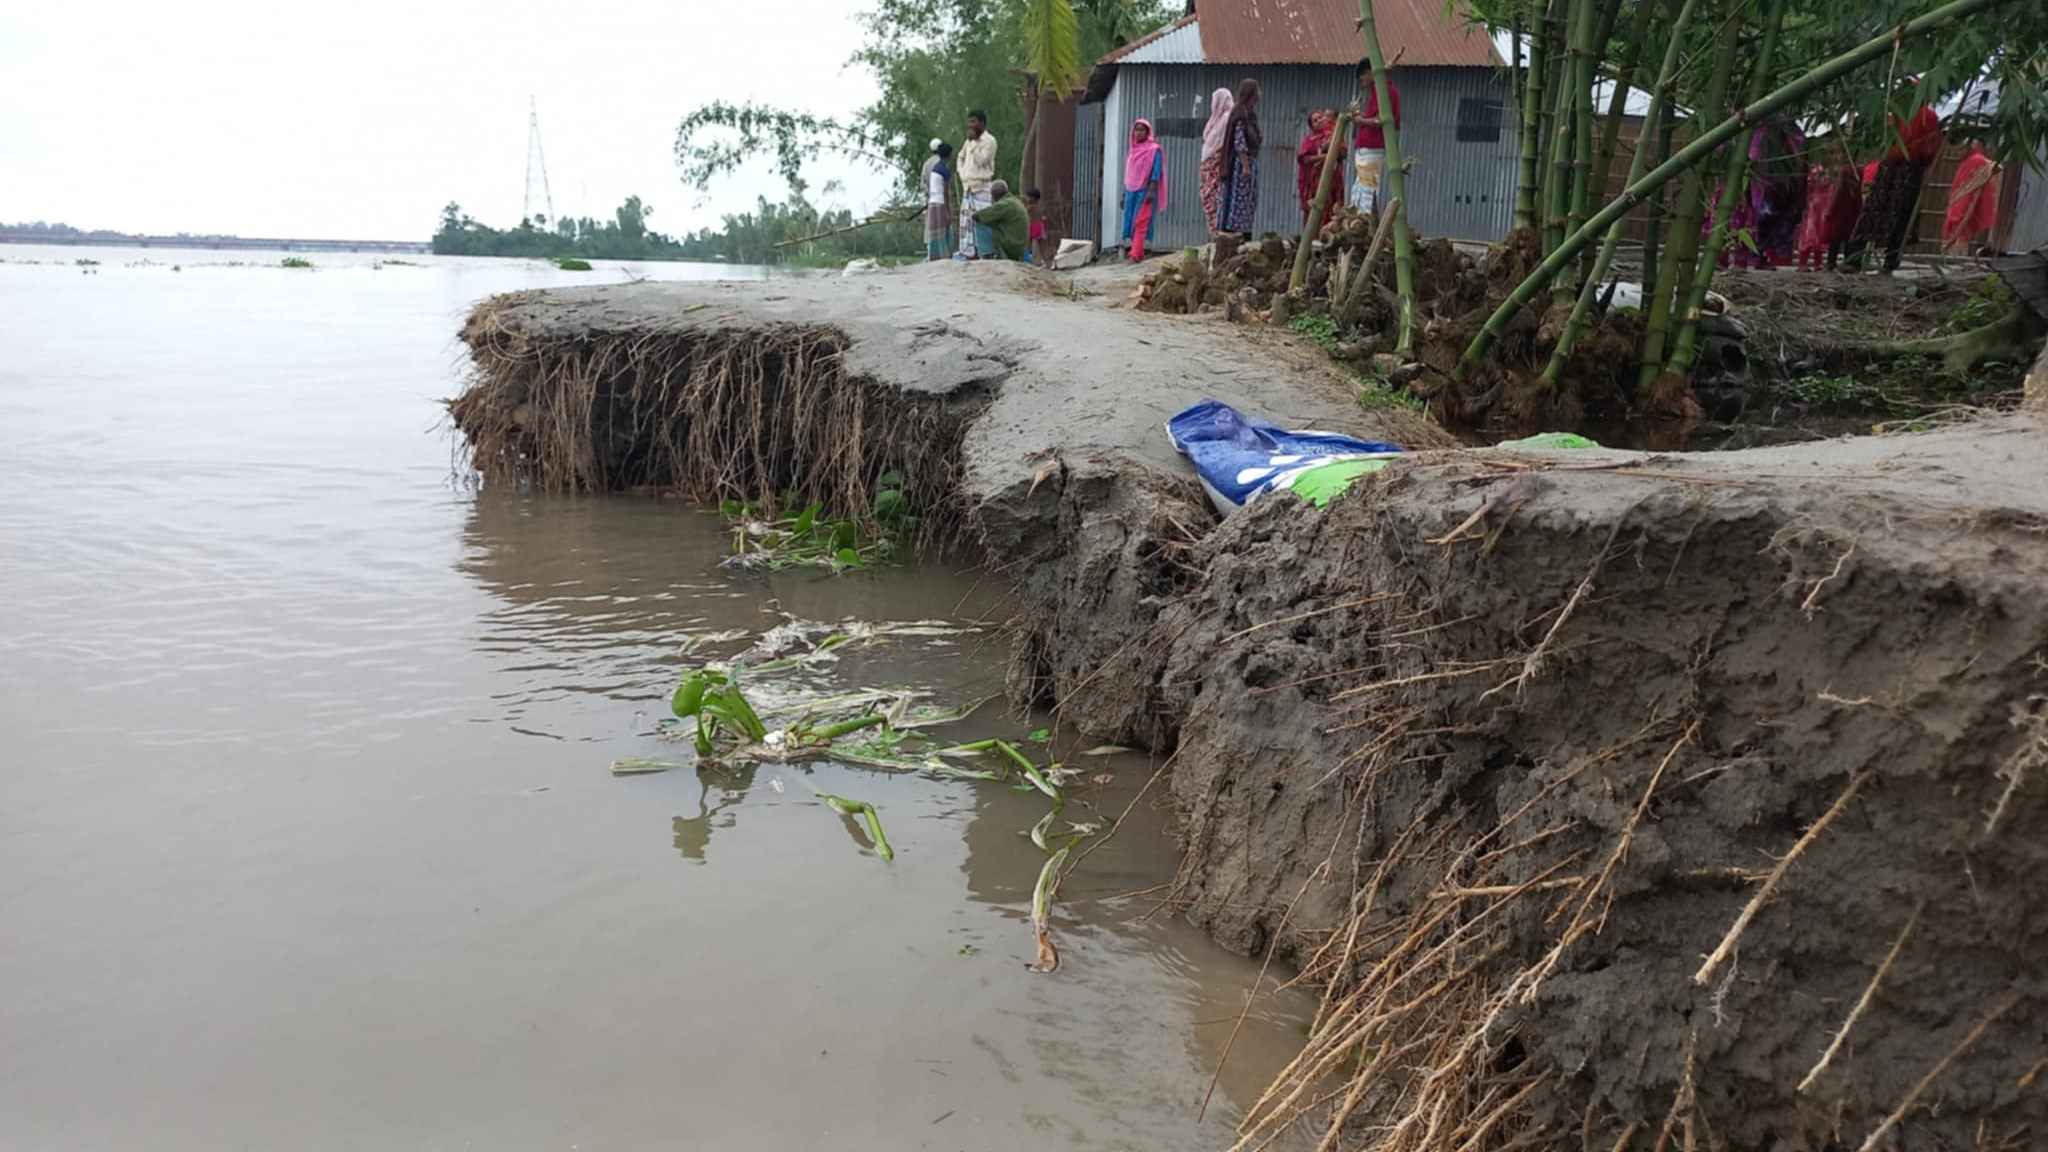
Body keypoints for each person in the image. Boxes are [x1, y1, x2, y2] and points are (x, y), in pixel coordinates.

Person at [1850, 89, 1943, 273]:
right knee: (1882, 212)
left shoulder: (1926, 116)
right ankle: (1866, 260)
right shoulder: (1898, 114)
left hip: (1905, 169)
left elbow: (1929, 146)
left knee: (1891, 213)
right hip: (1897, 168)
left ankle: (1879, 261)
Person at [1350, 59, 1401, 213]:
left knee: (1367, 190)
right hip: (1366, 147)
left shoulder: (1386, 92)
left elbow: (1381, 120)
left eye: (1362, 79)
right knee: (1358, 190)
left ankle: (1364, 222)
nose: (1362, 83)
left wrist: (1360, 120)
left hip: (1373, 147)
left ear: (1369, 73)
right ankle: (1355, 219)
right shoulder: (1377, 91)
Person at [1795, 160, 1863, 272]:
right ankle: (1819, 263)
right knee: (1818, 238)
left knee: (1832, 240)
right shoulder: (1845, 184)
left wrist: (1830, 212)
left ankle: (1825, 263)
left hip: (1832, 213)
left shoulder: (1844, 183)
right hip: (1824, 211)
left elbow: (1837, 198)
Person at [1217, 79, 1263, 235]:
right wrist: (1245, 166)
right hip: (1241, 165)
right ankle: (1234, 231)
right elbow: (1239, 141)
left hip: (1250, 161)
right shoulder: (1240, 113)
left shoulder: (1250, 113)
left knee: (1248, 200)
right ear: (1252, 93)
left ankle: (1244, 231)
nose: (1260, 94)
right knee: (1239, 200)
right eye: (1258, 90)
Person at [1120, 118, 1167, 261]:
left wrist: (1152, 191)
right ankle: (1137, 252)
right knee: (1130, 221)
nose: (1138, 133)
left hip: (1145, 190)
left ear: (1148, 132)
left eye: (1142, 130)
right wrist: (1124, 194)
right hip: (1130, 191)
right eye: (1136, 130)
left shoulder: (1154, 150)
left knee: (1141, 221)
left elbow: (1156, 171)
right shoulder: (1133, 150)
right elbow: (1129, 173)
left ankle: (1135, 253)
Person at [956, 110, 999, 259]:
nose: (970, 125)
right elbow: (960, 157)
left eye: (973, 121)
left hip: (982, 187)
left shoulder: (989, 141)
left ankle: (985, 253)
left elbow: (982, 161)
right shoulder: (967, 142)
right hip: (967, 187)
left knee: (983, 220)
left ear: (981, 123)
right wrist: (962, 175)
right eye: (969, 122)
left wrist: (974, 143)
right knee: (967, 224)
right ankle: (969, 254)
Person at [1943, 143, 2001, 254]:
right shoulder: (1968, 161)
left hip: (1964, 208)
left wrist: (1960, 211)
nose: (1956, 152)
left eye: (1959, 148)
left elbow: (1969, 190)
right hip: (1960, 206)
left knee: (1959, 241)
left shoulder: (1976, 160)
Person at [1199, 87, 1234, 235]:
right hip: (1208, 165)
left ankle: (1217, 234)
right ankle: (1214, 234)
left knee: (1212, 197)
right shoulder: (1215, 119)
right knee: (1209, 197)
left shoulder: (1227, 118)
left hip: (1216, 164)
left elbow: (1222, 144)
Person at [1296, 109, 1342, 222]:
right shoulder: (1309, 140)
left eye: (1320, 117)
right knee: (1314, 212)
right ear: (1312, 126)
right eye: (1315, 121)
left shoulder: (1334, 135)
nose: (1319, 121)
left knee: (1332, 211)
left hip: (1332, 182)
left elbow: (1343, 154)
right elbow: (1304, 159)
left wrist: (1334, 146)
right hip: (1314, 183)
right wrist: (1325, 157)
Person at [968, 180, 1031, 261]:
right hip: (1020, 246)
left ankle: (988, 255)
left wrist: (973, 214)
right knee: (991, 221)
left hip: (1012, 246)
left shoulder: (1004, 204)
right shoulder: (1014, 201)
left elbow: (979, 216)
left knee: (981, 223)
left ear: (993, 195)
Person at [921, 140, 957, 261]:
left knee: (934, 231)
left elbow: (924, 185)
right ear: (948, 155)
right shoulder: (944, 170)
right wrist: (948, 211)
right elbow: (946, 193)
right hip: (940, 203)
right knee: (944, 229)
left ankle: (934, 255)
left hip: (932, 202)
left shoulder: (929, 165)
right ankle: (944, 255)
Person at [1026, 187, 1050, 265]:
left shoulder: (1031, 207)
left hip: (1035, 226)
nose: (1028, 198)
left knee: (1040, 245)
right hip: (1036, 226)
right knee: (1032, 244)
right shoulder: (1036, 206)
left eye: (1029, 197)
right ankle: (1030, 259)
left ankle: (1045, 261)